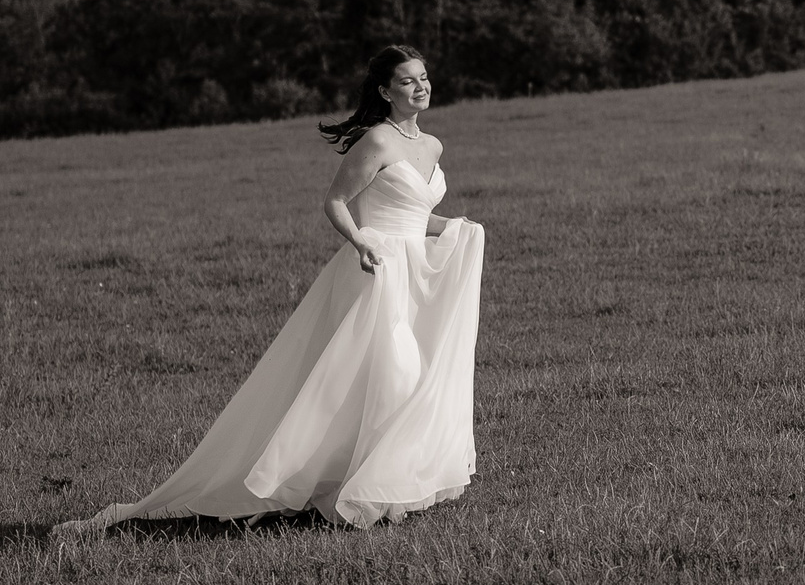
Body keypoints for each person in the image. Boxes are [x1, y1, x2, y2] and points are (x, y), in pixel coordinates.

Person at [54, 46, 485, 535]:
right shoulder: (377, 141)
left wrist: (457, 227)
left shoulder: (432, 147)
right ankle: (349, 488)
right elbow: (337, 202)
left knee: (400, 378)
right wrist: (360, 240)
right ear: (386, 91)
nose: (421, 86)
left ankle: (376, 486)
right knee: (394, 375)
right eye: (408, 81)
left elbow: (414, 216)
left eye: (423, 77)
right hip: (375, 270)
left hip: (413, 273)